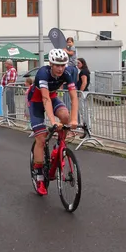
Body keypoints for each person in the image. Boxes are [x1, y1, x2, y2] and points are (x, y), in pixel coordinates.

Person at [28, 49, 78, 195]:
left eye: (63, 65)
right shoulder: (43, 73)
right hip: (37, 102)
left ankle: (60, 146)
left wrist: (74, 119)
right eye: (57, 65)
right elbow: (45, 99)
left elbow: (74, 97)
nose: (60, 68)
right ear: (50, 64)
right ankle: (39, 176)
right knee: (41, 139)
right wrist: (52, 121)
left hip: (53, 97)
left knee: (66, 116)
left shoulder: (67, 73)